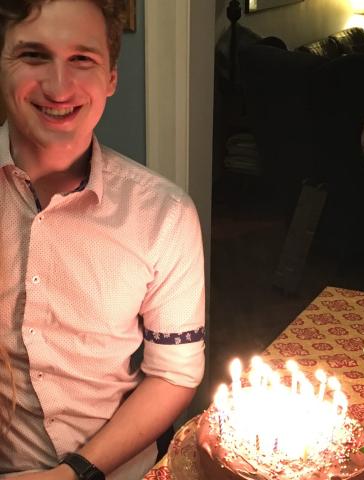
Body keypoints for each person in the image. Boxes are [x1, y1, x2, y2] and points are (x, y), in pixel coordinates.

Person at [0, 0, 205, 479]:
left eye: (82, 59)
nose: (58, 86)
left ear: (111, 78)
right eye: (32, 55)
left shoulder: (165, 216)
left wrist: (73, 474)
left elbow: (174, 372)